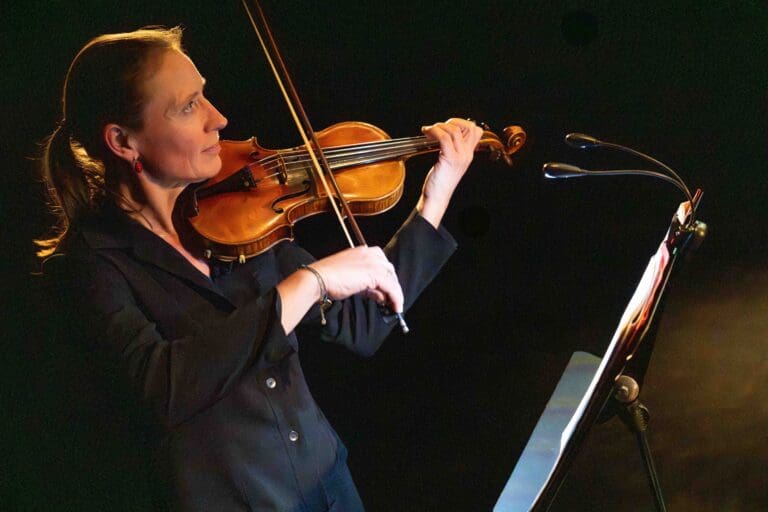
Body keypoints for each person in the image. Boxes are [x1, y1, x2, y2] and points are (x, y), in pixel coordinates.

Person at [37, 26, 482, 511]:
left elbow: (364, 324)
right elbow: (162, 386)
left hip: (330, 486)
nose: (218, 119)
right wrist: (308, 282)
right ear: (123, 141)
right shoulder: (89, 265)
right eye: (188, 106)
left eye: (204, 95)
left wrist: (436, 195)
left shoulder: (237, 215)